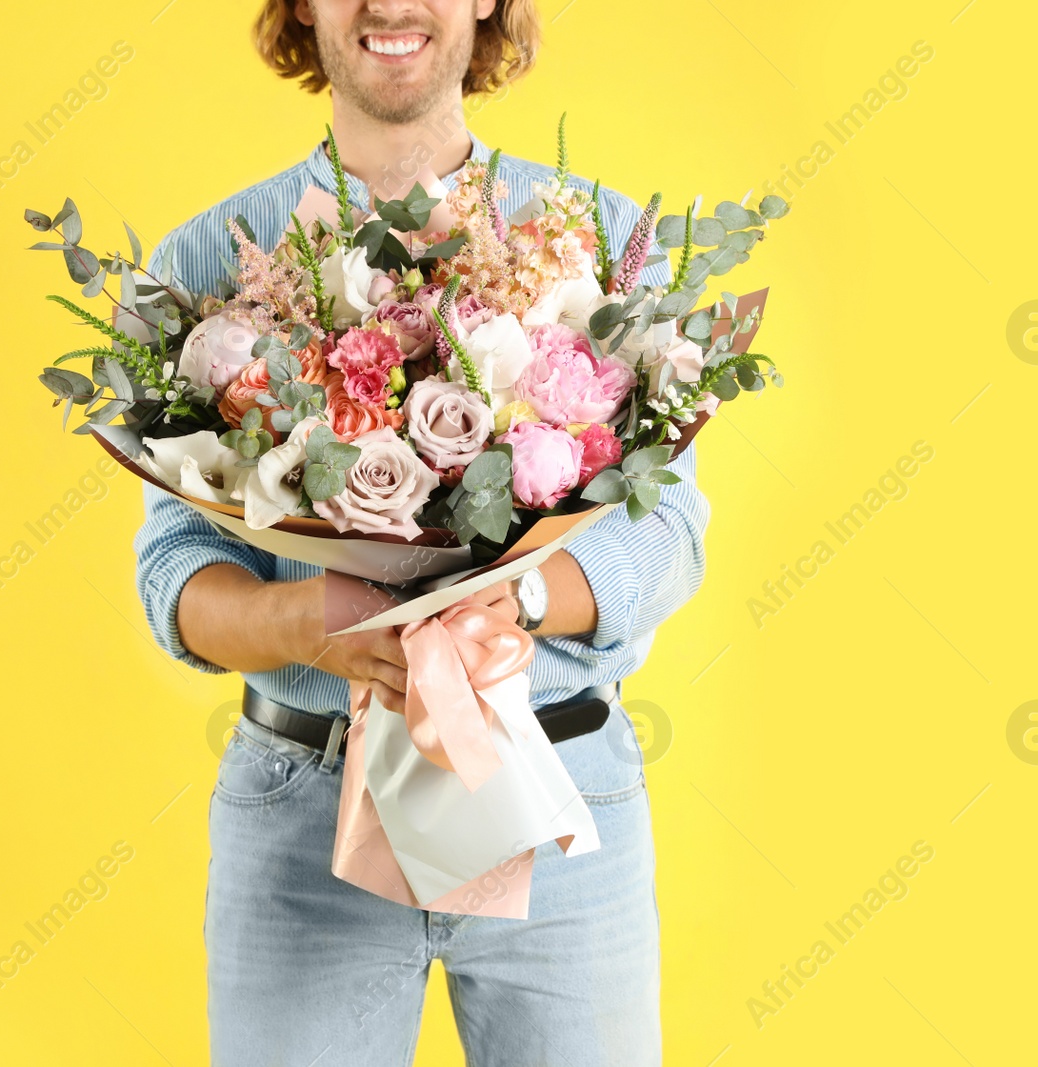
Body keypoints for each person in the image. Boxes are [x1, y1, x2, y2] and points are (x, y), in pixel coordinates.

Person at [134, 2, 708, 1063]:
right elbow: (175, 568)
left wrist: (517, 600)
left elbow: (669, 527)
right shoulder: (206, 262)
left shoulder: (595, 243)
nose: (392, 5)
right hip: (302, 813)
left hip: (558, 791)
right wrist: (305, 618)